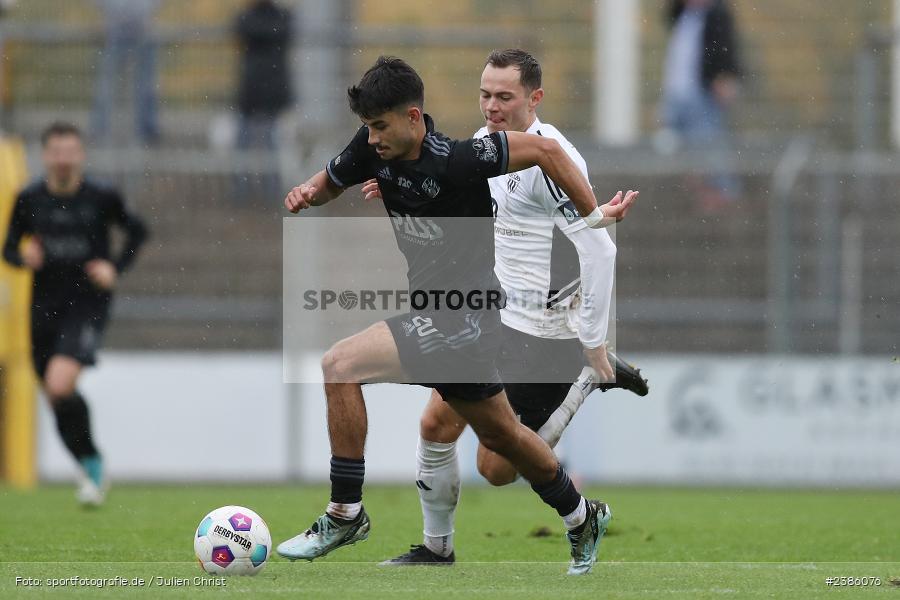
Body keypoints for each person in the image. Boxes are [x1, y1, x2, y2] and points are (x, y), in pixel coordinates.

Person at [276, 56, 637, 575]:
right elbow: (334, 178)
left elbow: (548, 150)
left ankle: (344, 513)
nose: (372, 137)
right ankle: (581, 516)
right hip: (467, 318)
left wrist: (593, 215)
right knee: (502, 443)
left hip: (462, 320)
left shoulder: (463, 157)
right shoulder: (374, 148)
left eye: (380, 126)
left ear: (414, 117)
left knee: (340, 365)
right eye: (367, 127)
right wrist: (311, 192)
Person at [2, 121, 148, 506]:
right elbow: (8, 248)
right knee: (55, 396)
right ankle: (89, 461)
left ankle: (92, 465)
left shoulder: (101, 196)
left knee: (60, 383)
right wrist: (23, 257)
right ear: (46, 156)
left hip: (86, 305)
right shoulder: (29, 198)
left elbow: (137, 231)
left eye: (71, 152)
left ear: (81, 155)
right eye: (57, 152)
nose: (64, 159)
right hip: (43, 307)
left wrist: (114, 267)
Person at [660, 0, 742, 208]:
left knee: (708, 147)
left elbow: (727, 46)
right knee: (677, 149)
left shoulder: (716, 15)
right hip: (677, 94)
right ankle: (693, 198)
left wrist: (725, 76)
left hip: (701, 94)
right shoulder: (683, 15)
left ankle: (720, 197)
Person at [91, 0, 161, 145]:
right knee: (107, 86)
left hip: (141, 30)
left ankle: (147, 131)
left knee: (146, 85)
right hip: (115, 31)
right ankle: (100, 130)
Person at [234, 0, 293, 152]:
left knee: (270, 138)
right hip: (254, 87)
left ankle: (268, 176)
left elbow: (279, 30)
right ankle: (243, 175)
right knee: (245, 138)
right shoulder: (274, 17)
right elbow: (242, 28)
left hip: (269, 87)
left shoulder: (278, 16)